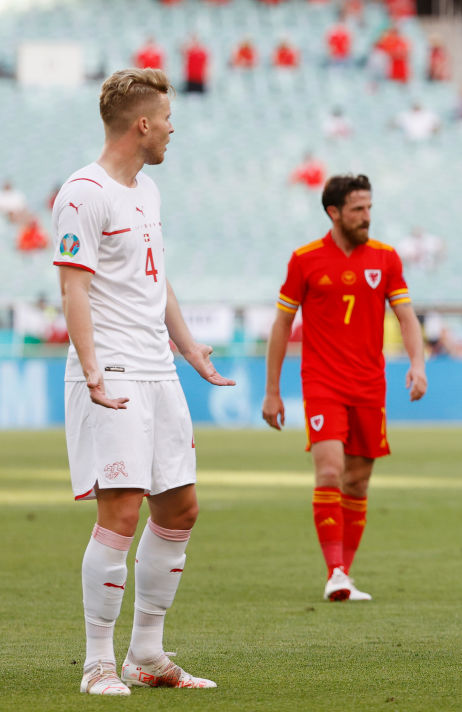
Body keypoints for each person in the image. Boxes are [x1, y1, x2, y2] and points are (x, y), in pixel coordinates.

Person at [52, 68, 233, 696]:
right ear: (143, 124)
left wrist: (190, 350)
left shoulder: (146, 192)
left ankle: (147, 655)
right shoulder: (82, 192)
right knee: (121, 512)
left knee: (180, 507)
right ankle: (97, 661)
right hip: (115, 372)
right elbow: (73, 288)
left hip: (158, 370)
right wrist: (94, 370)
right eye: (168, 118)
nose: (173, 129)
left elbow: (157, 281)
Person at [262, 174, 427, 602]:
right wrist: (272, 390)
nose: (366, 216)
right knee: (331, 469)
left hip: (370, 385)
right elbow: (282, 324)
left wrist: (417, 364)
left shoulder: (387, 258)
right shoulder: (305, 259)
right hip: (322, 382)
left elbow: (407, 316)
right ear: (334, 212)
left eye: (369, 208)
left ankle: (344, 574)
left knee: (358, 481)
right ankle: (334, 571)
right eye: (357, 209)